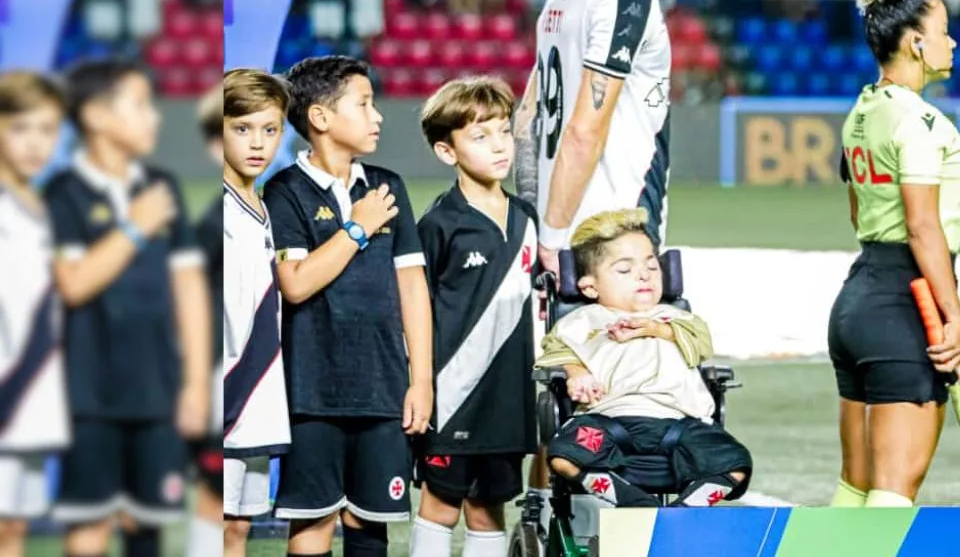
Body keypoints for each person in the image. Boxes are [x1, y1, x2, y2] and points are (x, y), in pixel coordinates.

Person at [513, 0, 674, 525]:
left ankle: (543, 518)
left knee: (563, 384)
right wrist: (559, 238)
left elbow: (526, 119)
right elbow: (585, 128)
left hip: (567, 223)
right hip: (609, 230)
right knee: (619, 405)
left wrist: (536, 221)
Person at [263, 56, 431, 557]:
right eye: (364, 104)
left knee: (368, 522)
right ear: (320, 117)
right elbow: (295, 284)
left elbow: (412, 288)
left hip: (383, 391)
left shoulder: (387, 186)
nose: (377, 116)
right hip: (312, 393)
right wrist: (356, 228)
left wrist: (420, 379)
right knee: (312, 525)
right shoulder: (284, 192)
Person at [44, 59, 210, 557]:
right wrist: (135, 228)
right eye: (139, 105)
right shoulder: (63, 193)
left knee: (149, 525)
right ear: (94, 116)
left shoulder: (161, 186)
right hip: (86, 397)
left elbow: (189, 289)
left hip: (158, 394)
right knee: (89, 531)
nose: (154, 117)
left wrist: (196, 386)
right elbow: (73, 284)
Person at [827, 0, 960, 508]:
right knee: (892, 495)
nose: (953, 42)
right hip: (906, 304)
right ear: (914, 43)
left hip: (858, 299)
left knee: (854, 489)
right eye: (943, 32)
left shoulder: (862, 110)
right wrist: (953, 315)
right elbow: (922, 225)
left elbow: (857, 208)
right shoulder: (919, 121)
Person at [540, 208, 752, 508]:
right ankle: (637, 505)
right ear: (589, 286)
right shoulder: (582, 322)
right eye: (625, 270)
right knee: (564, 458)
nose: (644, 275)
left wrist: (654, 328)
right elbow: (555, 351)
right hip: (609, 419)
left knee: (736, 463)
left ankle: (683, 511)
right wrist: (576, 373)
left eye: (652, 267)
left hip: (680, 423)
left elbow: (702, 344)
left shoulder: (676, 318)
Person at [410, 77, 539, 557]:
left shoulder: (527, 217)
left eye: (503, 132)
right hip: (454, 394)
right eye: (479, 136)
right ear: (448, 152)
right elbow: (414, 308)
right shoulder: (440, 223)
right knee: (441, 503)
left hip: (509, 397)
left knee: (489, 508)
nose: (498, 145)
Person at [217, 69, 293, 556]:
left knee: (238, 526)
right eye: (241, 128)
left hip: (257, 394)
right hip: (227, 392)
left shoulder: (260, 205)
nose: (257, 143)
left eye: (270, 130)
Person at [0, 72, 69, 557]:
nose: (35, 143)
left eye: (47, 130)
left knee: (13, 530)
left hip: (30, 403)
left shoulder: (40, 208)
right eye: (21, 128)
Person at [191, 84, 225, 557]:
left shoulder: (270, 208)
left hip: (261, 372)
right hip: (219, 373)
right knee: (214, 496)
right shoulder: (212, 222)